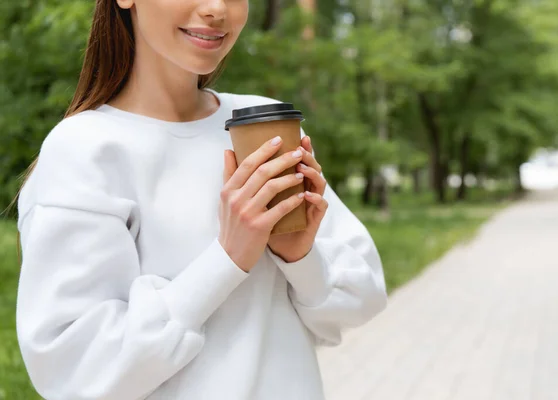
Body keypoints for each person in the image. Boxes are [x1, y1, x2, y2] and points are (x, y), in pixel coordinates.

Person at [14, 0, 387, 399]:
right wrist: (226, 260)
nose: (216, 9)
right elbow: (76, 371)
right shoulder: (85, 150)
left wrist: (300, 257)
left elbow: (362, 297)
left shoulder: (258, 124)